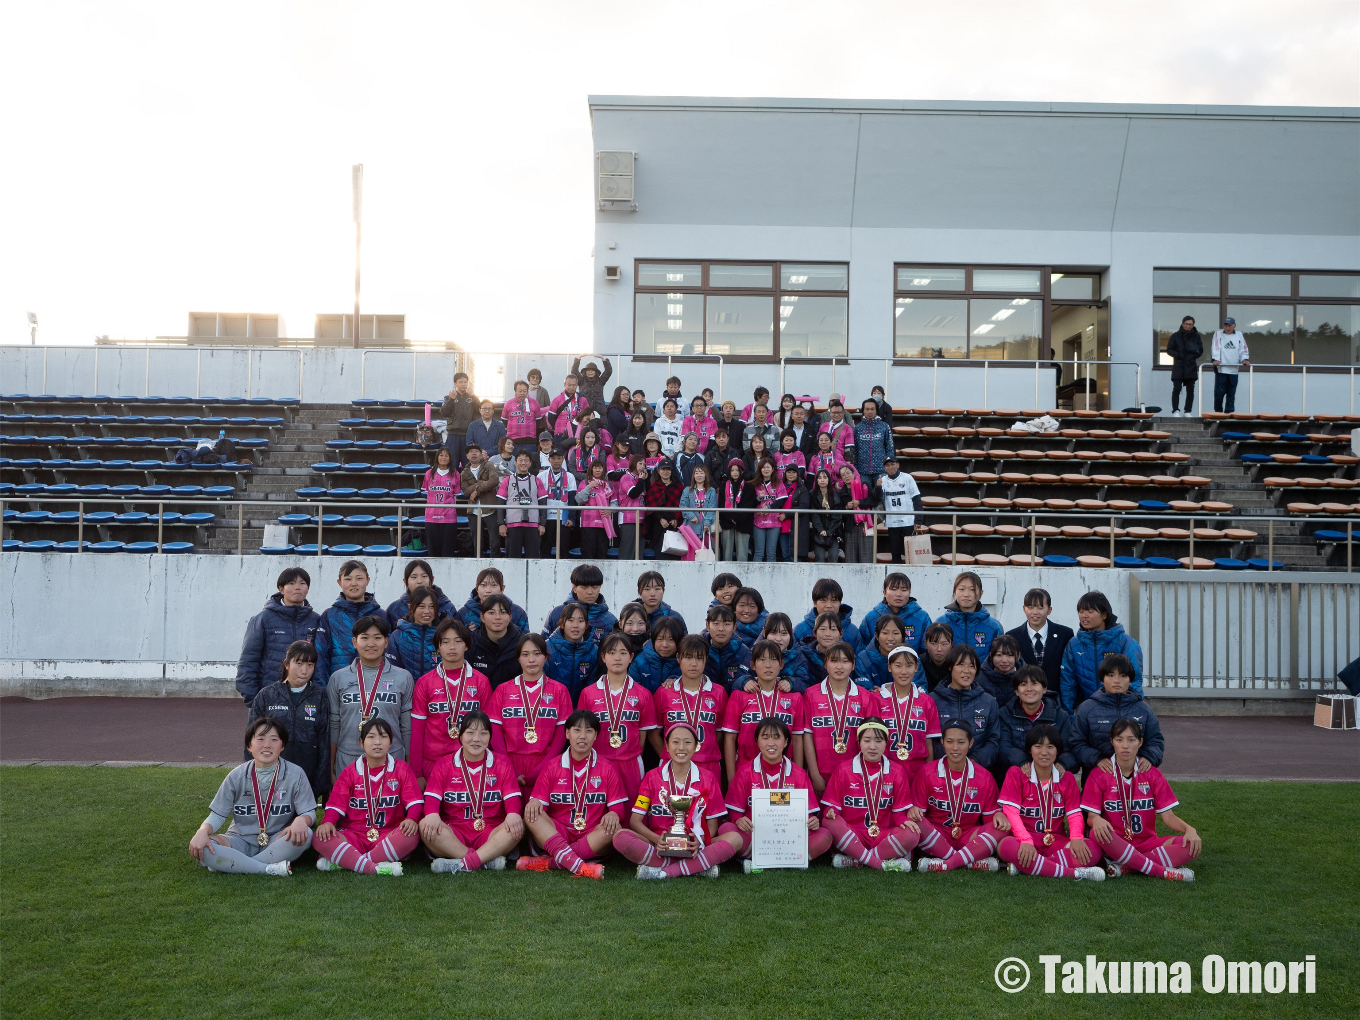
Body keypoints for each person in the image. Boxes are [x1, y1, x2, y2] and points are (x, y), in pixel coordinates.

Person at [613, 721, 740, 879]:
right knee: (620, 836)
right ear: (666, 746)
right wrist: (657, 839)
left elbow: (712, 823)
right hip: (659, 846)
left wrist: (698, 841)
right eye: (675, 742)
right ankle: (697, 867)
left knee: (735, 838)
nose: (681, 747)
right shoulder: (651, 777)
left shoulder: (708, 778)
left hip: (694, 846)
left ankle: (664, 871)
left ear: (695, 746)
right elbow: (635, 821)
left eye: (687, 742)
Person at [190, 717, 315, 876]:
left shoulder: (295, 773)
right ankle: (267, 868)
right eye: (260, 739)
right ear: (249, 746)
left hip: (277, 840)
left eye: (274, 739)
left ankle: (235, 863)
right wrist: (202, 831)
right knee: (205, 847)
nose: (267, 745)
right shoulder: (236, 776)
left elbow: (309, 812)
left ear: (282, 745)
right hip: (239, 839)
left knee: (306, 834)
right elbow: (218, 815)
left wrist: (301, 820)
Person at [1081, 718, 1200, 881]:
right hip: (1115, 842)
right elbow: (1091, 818)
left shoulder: (1152, 774)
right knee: (1096, 832)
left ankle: (1126, 867)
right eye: (1119, 740)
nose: (1125, 746)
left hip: (1147, 844)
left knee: (1190, 845)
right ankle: (1164, 872)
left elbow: (1168, 817)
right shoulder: (1099, 775)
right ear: (1112, 742)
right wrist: (1096, 820)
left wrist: (1189, 829)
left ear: (1140, 742)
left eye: (1131, 740)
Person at [515, 710, 628, 880]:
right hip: (559, 832)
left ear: (596, 735)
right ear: (567, 733)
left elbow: (618, 809)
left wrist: (613, 814)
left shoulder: (607, 768)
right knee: (531, 813)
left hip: (591, 835)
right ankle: (581, 866)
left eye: (589, 731)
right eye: (577, 730)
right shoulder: (553, 766)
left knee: (615, 828)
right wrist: (534, 803)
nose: (582, 736)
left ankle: (550, 862)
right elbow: (540, 808)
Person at [312, 717, 422, 875]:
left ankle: (351, 861)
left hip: (388, 833)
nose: (377, 742)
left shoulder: (402, 769)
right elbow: (335, 805)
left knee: (411, 835)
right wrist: (328, 822)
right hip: (354, 835)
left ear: (390, 743)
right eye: (371, 737)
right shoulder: (350, 772)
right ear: (361, 743)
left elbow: (415, 803)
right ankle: (375, 867)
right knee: (319, 837)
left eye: (383, 736)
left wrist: (411, 819)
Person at [995, 724, 1104, 881]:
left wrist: (1077, 839)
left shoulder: (1067, 778)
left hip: (1056, 841)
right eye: (1038, 746)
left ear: (1058, 750)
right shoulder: (1016, 774)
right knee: (1005, 846)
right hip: (1024, 840)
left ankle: (1029, 867)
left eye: (1050, 747)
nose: (1044, 752)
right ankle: (1074, 873)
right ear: (1030, 750)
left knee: (1092, 850)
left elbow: (1074, 815)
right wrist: (1025, 841)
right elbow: (1011, 813)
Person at [419, 710, 523, 874]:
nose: (476, 739)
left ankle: (460, 864)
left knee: (516, 827)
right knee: (425, 824)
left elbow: (512, 799)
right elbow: (432, 799)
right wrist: (431, 814)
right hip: (454, 833)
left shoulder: (502, 762)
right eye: (470, 733)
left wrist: (512, 814)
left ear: (489, 738)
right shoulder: (444, 764)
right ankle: (483, 860)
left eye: (483, 733)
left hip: (491, 833)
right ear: (460, 737)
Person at [721, 717, 830, 870]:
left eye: (777, 737)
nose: (771, 743)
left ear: (786, 742)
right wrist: (739, 820)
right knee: (726, 830)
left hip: (788, 839)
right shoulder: (745, 772)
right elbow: (734, 814)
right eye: (765, 738)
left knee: (824, 835)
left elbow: (808, 816)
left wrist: (813, 822)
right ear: (757, 742)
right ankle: (791, 861)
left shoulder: (798, 774)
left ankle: (757, 863)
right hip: (754, 836)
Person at [819, 718, 919, 871]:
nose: (872, 746)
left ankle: (856, 860)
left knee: (912, 834)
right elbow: (832, 807)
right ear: (859, 742)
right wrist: (832, 811)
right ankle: (879, 863)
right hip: (854, 835)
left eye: (878, 741)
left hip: (883, 836)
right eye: (867, 740)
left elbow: (898, 814)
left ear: (886, 743)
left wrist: (904, 820)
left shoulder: (897, 771)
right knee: (828, 822)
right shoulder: (843, 770)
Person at [912, 719, 1005, 873]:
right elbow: (918, 814)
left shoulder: (984, 776)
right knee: (915, 821)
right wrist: (913, 811)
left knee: (1001, 828)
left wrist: (998, 815)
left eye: (961, 742)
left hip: (968, 837)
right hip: (936, 836)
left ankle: (947, 863)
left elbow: (989, 820)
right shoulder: (927, 772)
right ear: (942, 742)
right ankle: (967, 861)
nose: (955, 748)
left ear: (971, 743)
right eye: (949, 741)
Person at [486, 633, 571, 797]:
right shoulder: (503, 690)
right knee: (512, 819)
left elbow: (562, 734)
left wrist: (544, 767)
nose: (531, 659)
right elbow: (494, 733)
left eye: (537, 653)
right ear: (518, 658)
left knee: (538, 817)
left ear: (546, 657)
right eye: (525, 654)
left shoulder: (559, 691)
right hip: (509, 764)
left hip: (546, 764)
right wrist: (509, 767)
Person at [577, 631, 659, 802]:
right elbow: (582, 733)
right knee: (598, 816)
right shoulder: (588, 693)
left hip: (630, 764)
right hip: (597, 763)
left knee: (630, 817)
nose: (617, 658)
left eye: (623, 653)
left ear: (631, 657)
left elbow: (643, 736)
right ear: (603, 657)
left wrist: (632, 757)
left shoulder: (643, 694)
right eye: (612, 652)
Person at [327, 615, 414, 775]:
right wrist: (331, 767)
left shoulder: (403, 677)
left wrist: (408, 765)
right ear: (354, 642)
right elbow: (334, 724)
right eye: (365, 638)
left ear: (386, 642)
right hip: (348, 759)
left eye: (377, 638)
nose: (371, 644)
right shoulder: (338, 678)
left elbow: (406, 726)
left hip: (391, 758)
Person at [247, 641, 331, 800]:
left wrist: (320, 783)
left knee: (301, 823)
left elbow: (324, 741)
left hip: (307, 775)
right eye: (298, 663)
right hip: (272, 772)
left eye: (310, 664)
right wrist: (252, 773)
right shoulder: (266, 695)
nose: (305, 670)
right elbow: (251, 738)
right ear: (286, 664)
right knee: (272, 821)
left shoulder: (320, 696)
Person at [409, 618, 486, 781]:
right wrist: (417, 773)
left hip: (471, 762)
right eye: (446, 642)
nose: (452, 647)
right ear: (438, 647)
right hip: (432, 763)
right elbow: (417, 730)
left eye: (458, 641)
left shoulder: (481, 681)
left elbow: (489, 728)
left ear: (466, 645)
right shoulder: (425, 682)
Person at [235, 566, 320, 706]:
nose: (297, 587)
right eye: (291, 583)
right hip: (269, 698)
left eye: (302, 583)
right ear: (281, 589)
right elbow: (248, 661)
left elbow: (320, 663)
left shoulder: (316, 620)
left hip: (306, 699)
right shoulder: (263, 619)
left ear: (308, 588)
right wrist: (254, 700)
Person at [722, 639, 807, 778]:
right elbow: (730, 739)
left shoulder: (795, 698)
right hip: (745, 771)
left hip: (784, 771)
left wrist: (796, 775)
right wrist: (732, 779)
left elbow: (797, 740)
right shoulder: (739, 696)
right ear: (752, 665)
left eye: (774, 660)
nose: (768, 665)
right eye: (762, 660)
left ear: (781, 665)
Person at [1069, 653, 1165, 771]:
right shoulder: (1086, 709)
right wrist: (1097, 759)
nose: (1117, 680)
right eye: (1111, 675)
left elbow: (1155, 740)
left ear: (1130, 681)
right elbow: (1076, 742)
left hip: (1136, 778)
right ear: (1102, 680)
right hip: (1096, 777)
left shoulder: (1144, 710)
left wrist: (1149, 757)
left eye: (1123, 676)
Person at [652, 635, 728, 781]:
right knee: (672, 804)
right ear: (679, 658)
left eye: (699, 658)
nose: (694, 664)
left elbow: (719, 733)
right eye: (688, 657)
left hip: (708, 763)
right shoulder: (664, 692)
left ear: (706, 659)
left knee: (707, 804)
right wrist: (670, 754)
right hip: (672, 763)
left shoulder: (719, 692)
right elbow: (654, 733)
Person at [803, 642, 873, 793]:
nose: (839, 666)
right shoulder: (811, 695)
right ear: (825, 663)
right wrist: (814, 775)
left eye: (845, 661)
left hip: (856, 774)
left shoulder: (866, 697)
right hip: (821, 773)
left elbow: (872, 739)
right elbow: (807, 736)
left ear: (853, 665)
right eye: (834, 661)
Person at [1060, 590, 1143, 711]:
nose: (1084, 615)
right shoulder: (1074, 644)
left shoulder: (1126, 642)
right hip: (1087, 712)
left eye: (1090, 611)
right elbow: (1068, 683)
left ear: (1104, 614)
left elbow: (1134, 681)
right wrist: (1068, 715)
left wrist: (1130, 712)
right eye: (1081, 611)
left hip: (1120, 711)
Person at [874, 645, 941, 786]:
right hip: (884, 769)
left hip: (917, 771)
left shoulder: (927, 702)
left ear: (916, 667)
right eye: (898, 665)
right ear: (889, 667)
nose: (904, 671)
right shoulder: (876, 699)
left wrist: (928, 775)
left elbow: (928, 744)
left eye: (909, 665)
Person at [313, 559, 385, 688]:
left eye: (359, 578)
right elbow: (320, 656)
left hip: (377, 686)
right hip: (340, 687)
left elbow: (388, 653)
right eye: (348, 579)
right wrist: (323, 690)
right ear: (339, 582)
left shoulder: (381, 615)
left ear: (368, 580)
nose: (353, 584)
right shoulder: (329, 616)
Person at [929, 645, 1001, 769]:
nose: (966, 670)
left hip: (978, 771)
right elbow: (929, 741)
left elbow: (993, 740)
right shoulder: (932, 700)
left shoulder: (988, 702)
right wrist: (952, 760)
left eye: (972, 666)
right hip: (941, 771)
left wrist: (975, 761)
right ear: (950, 667)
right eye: (961, 664)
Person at [998, 665, 1077, 775]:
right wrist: (1022, 761)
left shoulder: (1060, 716)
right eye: (1023, 684)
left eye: (1034, 683)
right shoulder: (1005, 714)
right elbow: (1003, 746)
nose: (1029, 689)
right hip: (1017, 773)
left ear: (1044, 688)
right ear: (1016, 691)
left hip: (1050, 773)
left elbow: (1069, 749)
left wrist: (1062, 763)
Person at [1005, 587, 1074, 695]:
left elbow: (1071, 672)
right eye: (1030, 607)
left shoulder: (1065, 634)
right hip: (1025, 699)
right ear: (1024, 608)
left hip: (1057, 699)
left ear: (1049, 610)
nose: (1035, 612)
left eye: (1040, 607)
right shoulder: (1012, 636)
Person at [935, 570, 1003, 658]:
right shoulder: (941, 623)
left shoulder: (994, 627)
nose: (966, 594)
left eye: (972, 590)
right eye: (961, 589)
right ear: (955, 591)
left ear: (981, 593)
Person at [859, 573, 931, 656]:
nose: (899, 594)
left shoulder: (922, 617)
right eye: (893, 589)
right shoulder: (871, 618)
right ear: (884, 592)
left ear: (909, 592)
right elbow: (862, 650)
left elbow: (926, 652)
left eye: (904, 590)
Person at [542, 563, 618, 640]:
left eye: (595, 587)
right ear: (574, 588)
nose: (590, 592)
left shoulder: (610, 620)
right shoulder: (557, 613)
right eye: (584, 587)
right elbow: (544, 646)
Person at [466, 594, 524, 689]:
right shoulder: (471, 643)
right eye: (491, 613)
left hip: (512, 701)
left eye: (503, 612)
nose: (498, 617)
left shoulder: (521, 644)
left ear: (510, 616)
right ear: (482, 617)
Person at [545, 603, 600, 702]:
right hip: (552, 706)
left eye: (580, 621)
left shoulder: (594, 651)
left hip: (580, 710)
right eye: (570, 620)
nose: (575, 626)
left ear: (587, 625)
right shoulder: (547, 648)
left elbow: (592, 685)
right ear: (562, 624)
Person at [384, 559, 458, 627]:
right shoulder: (394, 609)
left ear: (431, 579)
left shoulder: (447, 607)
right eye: (413, 577)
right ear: (405, 581)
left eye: (424, 576)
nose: (419, 581)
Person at [874, 459, 921, 563]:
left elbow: (916, 499)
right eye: (888, 465)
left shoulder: (907, 478)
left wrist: (918, 519)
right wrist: (877, 487)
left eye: (893, 464)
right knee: (895, 552)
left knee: (911, 552)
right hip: (892, 522)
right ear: (884, 468)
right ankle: (897, 576)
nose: (891, 467)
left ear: (898, 464)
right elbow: (877, 498)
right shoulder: (883, 480)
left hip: (908, 520)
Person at [793, 577, 861, 649]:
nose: (829, 605)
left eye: (834, 600)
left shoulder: (852, 632)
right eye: (823, 600)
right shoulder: (800, 630)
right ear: (814, 603)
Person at [390, 586, 443, 679]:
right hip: (407, 692)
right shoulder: (397, 636)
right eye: (421, 606)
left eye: (431, 606)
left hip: (438, 692)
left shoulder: (443, 635)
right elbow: (392, 671)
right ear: (411, 608)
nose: (427, 611)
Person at [460, 443, 501, 557]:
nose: (474, 453)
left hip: (490, 508)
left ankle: (495, 565)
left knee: (495, 542)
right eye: (471, 452)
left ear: (481, 454)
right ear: (467, 456)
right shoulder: (464, 473)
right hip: (473, 511)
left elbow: (494, 480)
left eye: (476, 451)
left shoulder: (488, 465)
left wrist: (477, 491)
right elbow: (466, 491)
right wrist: (481, 484)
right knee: (477, 543)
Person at [461, 567, 529, 633]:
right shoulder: (463, 613)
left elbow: (525, 641)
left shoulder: (517, 612)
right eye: (483, 585)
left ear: (502, 588)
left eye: (494, 585)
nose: (488, 590)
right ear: (477, 588)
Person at [421, 447, 461, 558]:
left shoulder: (455, 474)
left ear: (450, 458)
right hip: (431, 515)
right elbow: (426, 491)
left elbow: (456, 494)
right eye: (441, 455)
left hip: (448, 516)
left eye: (446, 455)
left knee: (447, 549)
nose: (444, 458)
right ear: (437, 457)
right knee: (433, 549)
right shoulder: (429, 473)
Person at [571, 459, 615, 559]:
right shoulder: (585, 482)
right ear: (591, 469)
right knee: (588, 552)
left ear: (603, 469)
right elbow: (578, 500)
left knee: (602, 553)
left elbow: (615, 503)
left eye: (600, 467)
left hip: (604, 525)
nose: (598, 470)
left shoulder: (608, 484)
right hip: (588, 524)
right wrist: (588, 487)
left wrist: (610, 510)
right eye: (595, 468)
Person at [538, 446, 577, 558]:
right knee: (545, 548)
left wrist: (571, 517)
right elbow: (538, 499)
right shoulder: (541, 476)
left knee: (564, 548)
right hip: (547, 517)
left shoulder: (570, 476)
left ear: (563, 459)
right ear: (549, 460)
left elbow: (572, 498)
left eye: (558, 458)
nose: (556, 461)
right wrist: (540, 519)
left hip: (563, 517)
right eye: (553, 458)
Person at [703, 604, 752, 691]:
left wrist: (744, 682)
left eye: (727, 624)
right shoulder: (699, 650)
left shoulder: (743, 652)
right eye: (716, 623)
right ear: (707, 626)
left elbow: (747, 677)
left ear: (734, 627)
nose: (721, 628)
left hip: (733, 701)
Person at [1211, 315, 1250, 414]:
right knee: (1219, 392)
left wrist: (1244, 359)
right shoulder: (1218, 333)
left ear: (1234, 326)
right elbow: (1215, 347)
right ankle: (1218, 411)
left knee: (1231, 392)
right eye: (1226, 326)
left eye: (1229, 326)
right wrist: (1216, 359)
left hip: (1234, 368)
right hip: (1221, 368)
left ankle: (1229, 412)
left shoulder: (1239, 335)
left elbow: (1243, 348)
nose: (1227, 328)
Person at [1165, 315, 1203, 417]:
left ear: (1193, 325)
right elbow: (1169, 349)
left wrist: (1192, 356)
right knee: (1176, 389)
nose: (1188, 326)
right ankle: (1175, 410)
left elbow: (1200, 350)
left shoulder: (1196, 336)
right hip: (1178, 366)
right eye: (1186, 324)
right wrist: (1178, 355)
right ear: (1182, 324)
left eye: (1190, 324)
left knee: (1190, 390)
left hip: (1191, 367)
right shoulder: (1175, 336)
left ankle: (1187, 411)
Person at [440, 371, 479, 469]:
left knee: (468, 464)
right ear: (455, 384)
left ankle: (467, 484)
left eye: (465, 382)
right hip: (453, 435)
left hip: (468, 435)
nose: (463, 384)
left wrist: (474, 397)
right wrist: (451, 400)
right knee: (452, 463)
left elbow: (480, 410)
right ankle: (452, 484)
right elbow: (444, 413)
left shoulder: (472, 397)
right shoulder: (449, 397)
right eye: (461, 382)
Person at [760, 612, 810, 691]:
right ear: (764, 632)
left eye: (784, 633)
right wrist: (746, 681)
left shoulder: (799, 658)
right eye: (773, 633)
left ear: (791, 635)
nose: (778, 638)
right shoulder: (754, 655)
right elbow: (741, 677)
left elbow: (805, 684)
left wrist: (792, 683)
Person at [837, 463, 875, 564]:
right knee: (851, 560)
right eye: (843, 475)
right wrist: (846, 508)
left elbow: (874, 501)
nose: (846, 476)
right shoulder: (841, 493)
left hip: (866, 526)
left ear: (853, 473)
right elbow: (840, 515)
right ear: (841, 478)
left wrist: (860, 502)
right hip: (850, 528)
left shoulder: (865, 485)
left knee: (866, 560)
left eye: (848, 473)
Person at [750, 457, 786, 562]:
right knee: (759, 552)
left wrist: (768, 508)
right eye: (763, 467)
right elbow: (750, 502)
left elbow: (781, 500)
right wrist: (759, 498)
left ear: (773, 469)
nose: (766, 469)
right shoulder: (754, 484)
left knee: (771, 553)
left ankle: (772, 578)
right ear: (760, 469)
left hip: (774, 521)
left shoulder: (778, 483)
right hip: (758, 521)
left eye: (768, 467)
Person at [719, 458, 755, 562]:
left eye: (737, 470)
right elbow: (721, 505)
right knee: (727, 551)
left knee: (742, 552)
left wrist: (737, 518)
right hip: (727, 522)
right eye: (732, 470)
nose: (735, 472)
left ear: (742, 471)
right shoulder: (724, 486)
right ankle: (726, 575)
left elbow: (748, 505)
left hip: (743, 523)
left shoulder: (748, 487)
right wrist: (731, 518)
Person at [856, 616, 907, 689]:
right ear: (877, 636)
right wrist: (878, 694)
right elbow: (862, 689)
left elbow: (919, 685)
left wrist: (886, 692)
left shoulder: (911, 657)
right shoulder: (863, 659)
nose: (890, 638)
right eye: (885, 633)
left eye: (895, 633)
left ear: (902, 637)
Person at [645, 458, 683, 556]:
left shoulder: (678, 486)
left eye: (668, 469)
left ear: (671, 471)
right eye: (663, 469)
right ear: (658, 470)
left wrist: (676, 519)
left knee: (674, 550)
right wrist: (661, 519)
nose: (665, 472)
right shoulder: (654, 486)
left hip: (674, 523)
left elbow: (682, 505)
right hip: (658, 523)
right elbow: (651, 506)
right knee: (658, 549)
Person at [852, 397, 894, 486]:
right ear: (863, 411)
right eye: (867, 409)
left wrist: (889, 466)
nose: (870, 412)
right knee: (865, 497)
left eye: (872, 409)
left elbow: (890, 447)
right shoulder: (858, 428)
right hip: (862, 471)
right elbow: (854, 449)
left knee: (882, 496)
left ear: (876, 410)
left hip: (881, 470)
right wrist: (855, 467)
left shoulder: (884, 426)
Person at [807, 468, 845, 563]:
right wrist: (821, 530)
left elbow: (837, 516)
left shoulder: (835, 495)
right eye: (819, 478)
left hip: (833, 533)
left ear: (829, 479)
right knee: (819, 557)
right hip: (818, 533)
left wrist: (829, 531)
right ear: (816, 480)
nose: (822, 480)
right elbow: (814, 514)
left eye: (825, 477)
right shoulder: (812, 494)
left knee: (833, 557)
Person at [502, 379, 545, 458]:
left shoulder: (534, 403)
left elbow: (538, 420)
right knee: (514, 463)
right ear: (515, 391)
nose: (522, 393)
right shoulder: (508, 404)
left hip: (529, 441)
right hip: (513, 441)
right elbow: (504, 420)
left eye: (524, 391)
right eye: (520, 391)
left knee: (529, 463)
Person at [616, 455, 648, 559]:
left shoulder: (641, 479)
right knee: (628, 549)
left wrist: (643, 480)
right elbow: (633, 493)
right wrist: (641, 480)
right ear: (633, 464)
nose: (642, 466)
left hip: (641, 519)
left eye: (644, 464)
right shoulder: (626, 477)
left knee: (638, 551)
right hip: (628, 519)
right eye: (640, 463)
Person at [976, 634, 1021, 707]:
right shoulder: (979, 678)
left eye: (1010, 655)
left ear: (1018, 656)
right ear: (991, 656)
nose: (1004, 660)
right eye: (999, 655)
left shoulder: (1027, 677)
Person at [679, 463, 717, 547]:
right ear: (693, 475)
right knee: (691, 554)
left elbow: (712, 508)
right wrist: (691, 515)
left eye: (701, 473)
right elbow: (682, 505)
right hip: (691, 526)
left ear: (705, 475)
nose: (699, 475)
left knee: (706, 554)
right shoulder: (687, 490)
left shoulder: (711, 491)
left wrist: (707, 523)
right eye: (696, 473)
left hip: (706, 528)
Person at [918, 622, 954, 691]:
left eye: (944, 644)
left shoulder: (957, 664)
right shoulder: (919, 663)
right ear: (925, 643)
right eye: (934, 643)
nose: (939, 649)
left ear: (951, 644)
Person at [817, 398, 855, 463]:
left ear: (843, 413)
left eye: (839, 412)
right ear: (830, 413)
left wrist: (849, 466)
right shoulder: (823, 426)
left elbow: (850, 451)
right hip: (822, 462)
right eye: (834, 412)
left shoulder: (847, 428)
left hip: (839, 463)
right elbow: (817, 444)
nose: (836, 415)